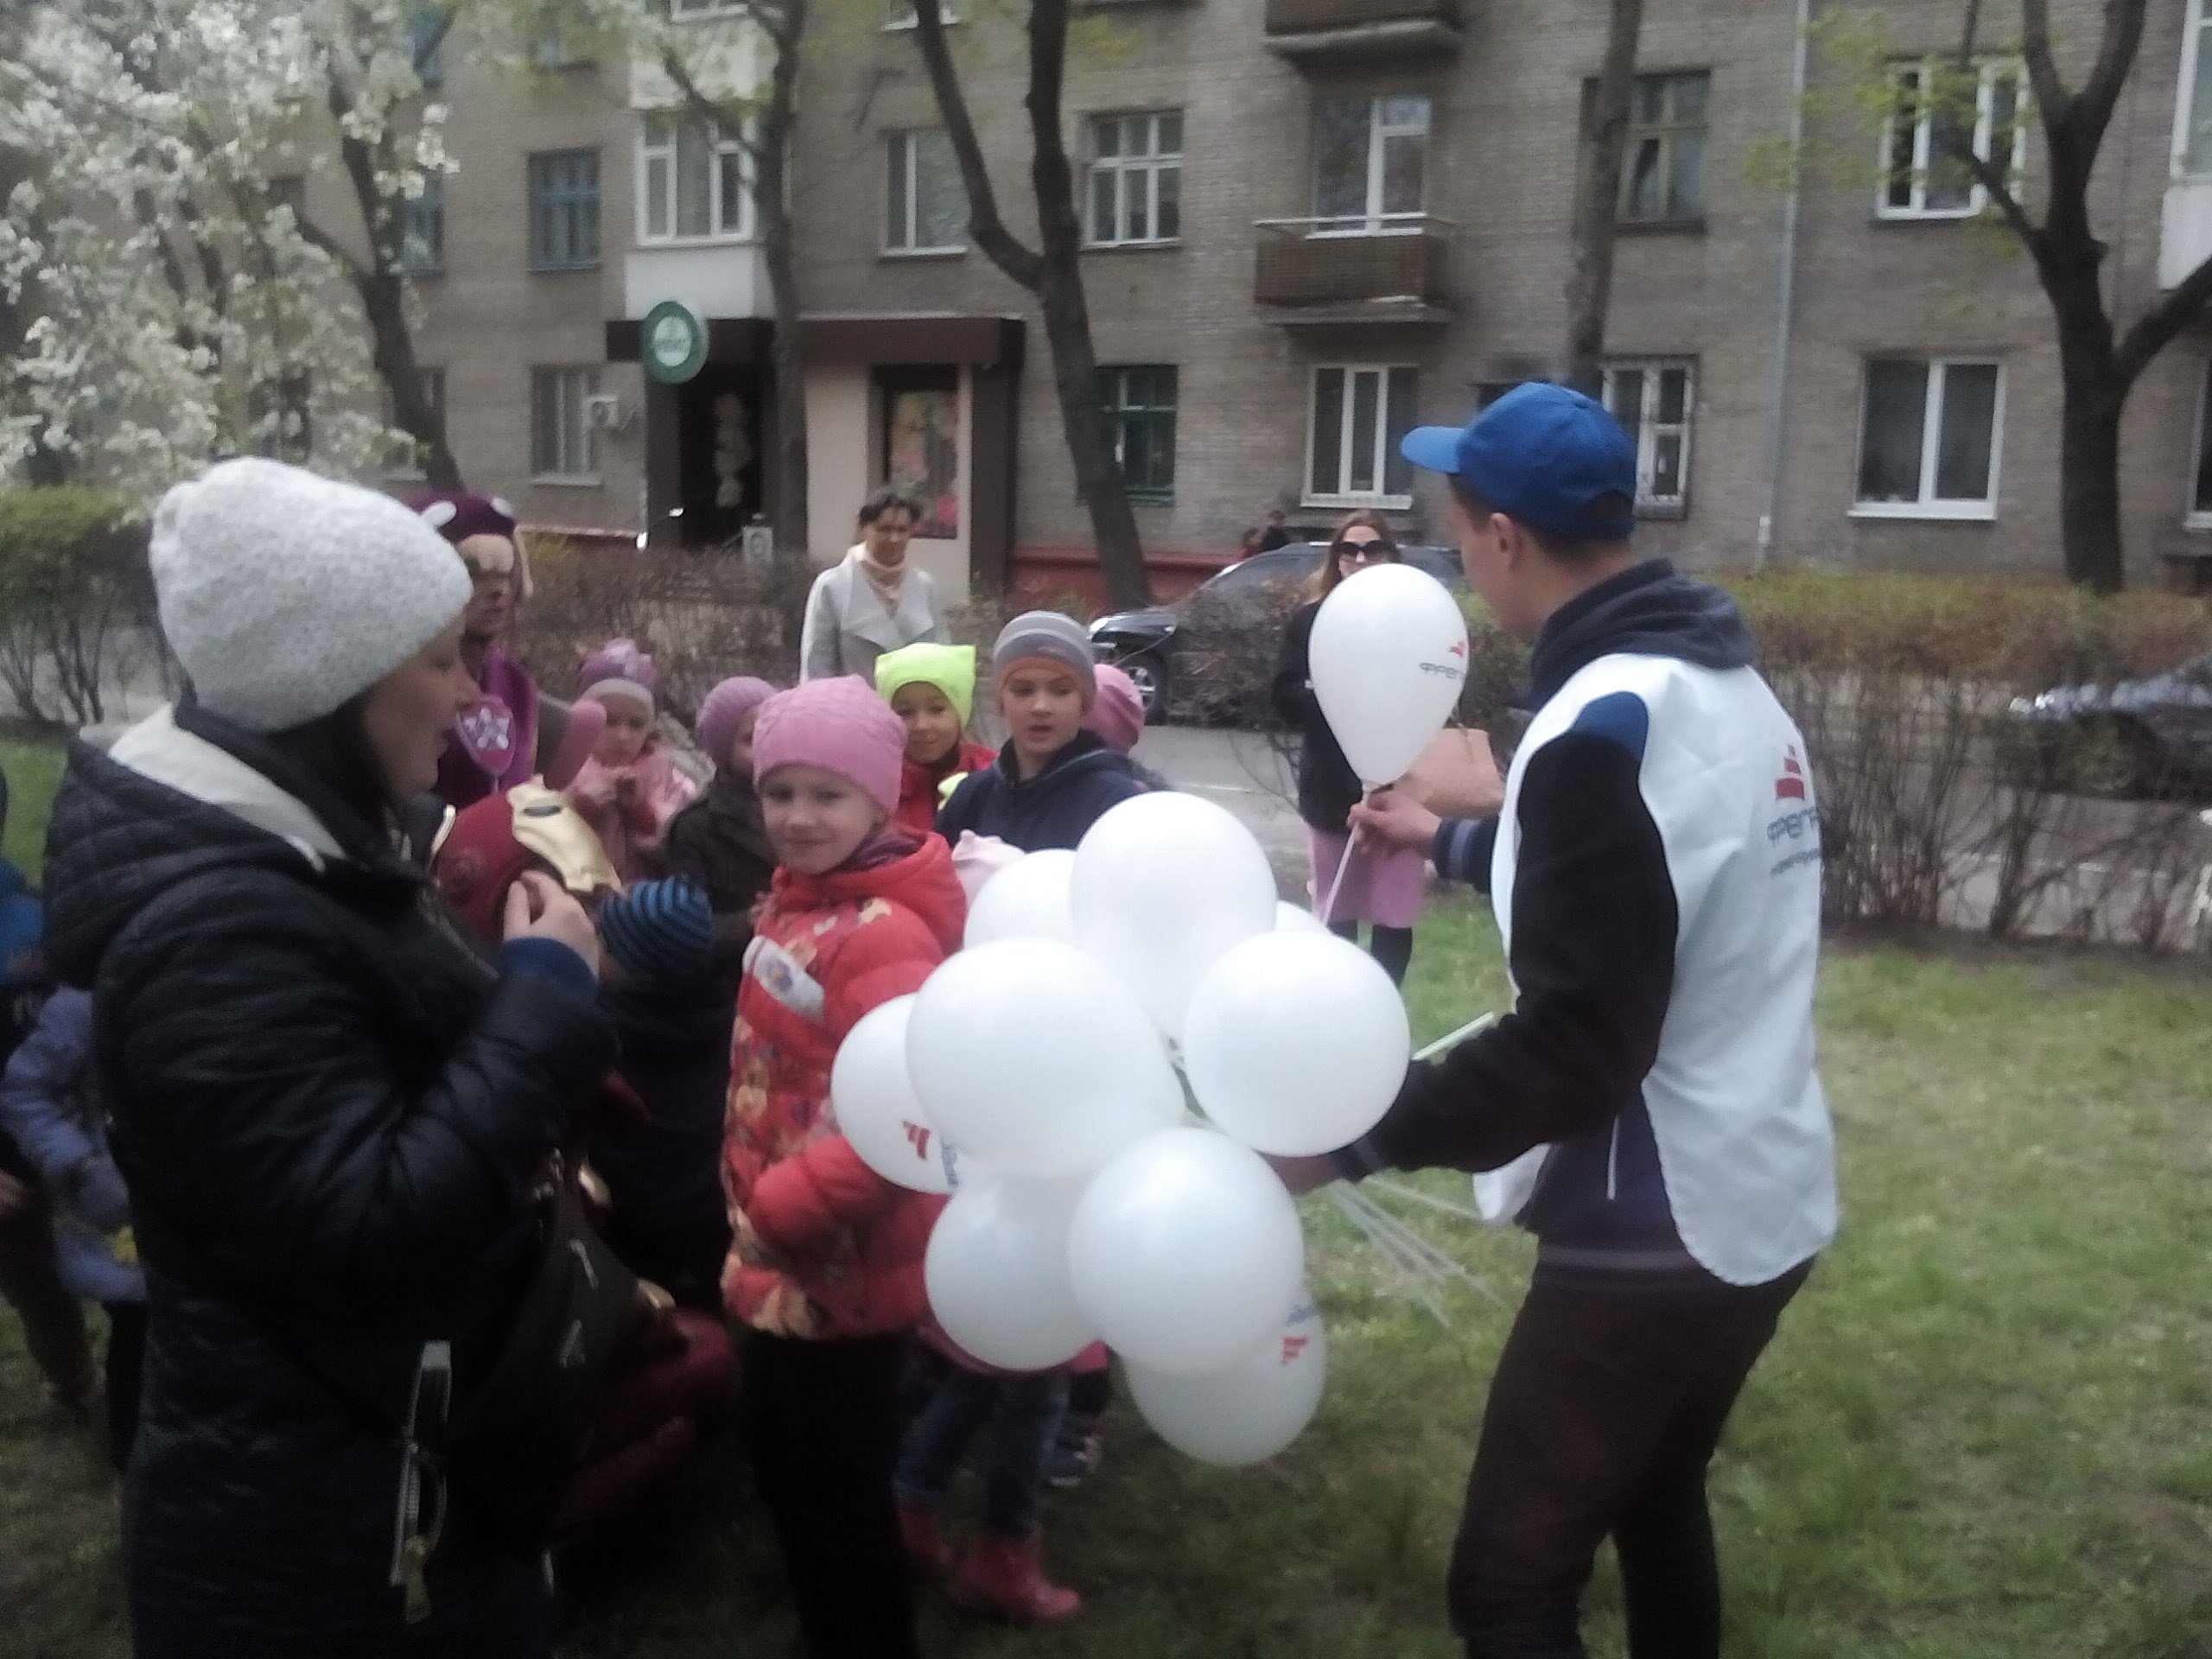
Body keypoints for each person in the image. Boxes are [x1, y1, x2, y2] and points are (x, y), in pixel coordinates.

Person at [1279, 384, 1837, 1659]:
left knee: (1511, 1588)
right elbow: (1669, 896)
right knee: (1652, 1496)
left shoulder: (1598, 727)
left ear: (1505, 538)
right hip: (1766, 1191)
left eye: (1460, 531)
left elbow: (1577, 1047)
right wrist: (1466, 838)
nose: (1464, 563)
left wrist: (1348, 1137)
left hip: (1661, 1228)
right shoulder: (1727, 688)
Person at [40, 457, 618, 1658]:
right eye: (441, 657)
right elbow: (361, 1234)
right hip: (322, 1554)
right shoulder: (212, 935)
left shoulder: (309, 848)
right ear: (331, 684)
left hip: (391, 1489)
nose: (468, 693)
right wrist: (545, 1006)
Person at [724, 676, 966, 1659]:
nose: (797, 816)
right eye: (780, 793)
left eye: (827, 795)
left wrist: (783, 1205)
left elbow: (907, 1119)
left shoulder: (884, 937)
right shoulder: (798, 908)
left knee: (838, 1492)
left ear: (879, 799)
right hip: (779, 1255)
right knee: (787, 1468)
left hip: (845, 1266)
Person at [1271, 510, 1425, 987]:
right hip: (1330, 789)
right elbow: (1285, 697)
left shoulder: (1413, 620)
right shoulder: (1310, 621)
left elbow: (1432, 685)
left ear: (1390, 556)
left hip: (1400, 789)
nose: (1360, 559)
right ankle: (1338, 1008)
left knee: (1394, 914)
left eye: (1373, 549)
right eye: (1349, 549)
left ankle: (1385, 1007)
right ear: (1336, 558)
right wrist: (1335, 693)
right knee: (1336, 913)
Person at [0, 988, 145, 1472]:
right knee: (39, 1286)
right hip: (30, 1153)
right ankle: (82, 1391)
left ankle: (96, 1395)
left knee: (141, 1301)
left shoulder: (40, 919)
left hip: (87, 1139)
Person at [0, 771, 100, 1421]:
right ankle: (72, 1381)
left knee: (66, 1277)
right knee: (31, 1278)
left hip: (55, 1139)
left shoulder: (37, 919)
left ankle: (88, 1383)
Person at [590, 878, 734, 1313]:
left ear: (629, 961)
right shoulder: (724, 1011)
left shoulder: (600, 1029)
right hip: (713, 1213)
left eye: (602, 941)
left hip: (633, 1226)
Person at [412, 493, 603, 811]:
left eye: (504, 573)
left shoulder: (514, 684)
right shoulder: (404, 683)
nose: (498, 590)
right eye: (473, 573)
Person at [938, 613, 1147, 852]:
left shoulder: (1117, 805)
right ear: (1000, 701)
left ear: (1085, 704)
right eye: (1023, 691)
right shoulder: (971, 797)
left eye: (1061, 691)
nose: (1041, 707)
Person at [659, 675, 780, 979]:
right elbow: (685, 929)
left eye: (776, 731)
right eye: (751, 738)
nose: (769, 747)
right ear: (724, 750)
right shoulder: (697, 827)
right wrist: (748, 922)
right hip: (738, 982)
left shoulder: (812, 801)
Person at [566, 638, 699, 882]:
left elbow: (685, 850)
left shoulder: (670, 782)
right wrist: (577, 808)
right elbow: (535, 835)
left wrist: (641, 811)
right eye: (609, 721)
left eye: (636, 724)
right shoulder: (561, 771)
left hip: (642, 906)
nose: (622, 736)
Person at [799, 489, 950, 683]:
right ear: (864, 528)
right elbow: (817, 667)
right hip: (853, 710)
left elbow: (943, 660)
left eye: (902, 530)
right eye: (884, 529)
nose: (894, 539)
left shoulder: (925, 586)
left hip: (912, 712)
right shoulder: (832, 586)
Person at [876, 642, 995, 839]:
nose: (922, 725)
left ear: (961, 711)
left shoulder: (993, 776)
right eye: (905, 712)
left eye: (937, 709)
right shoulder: (877, 789)